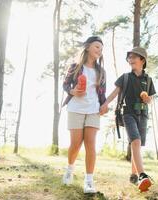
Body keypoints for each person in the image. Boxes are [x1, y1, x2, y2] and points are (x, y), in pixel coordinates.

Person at [100, 47, 156, 192]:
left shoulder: (148, 80)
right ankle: (142, 175)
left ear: (142, 60)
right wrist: (105, 103)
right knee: (135, 141)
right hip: (128, 113)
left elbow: (150, 100)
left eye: (134, 57)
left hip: (142, 115)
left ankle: (133, 175)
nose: (130, 60)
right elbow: (114, 93)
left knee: (136, 144)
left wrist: (147, 98)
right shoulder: (125, 77)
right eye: (129, 57)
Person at [62, 36, 107, 194]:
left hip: (93, 110)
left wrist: (104, 106)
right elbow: (66, 84)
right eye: (97, 47)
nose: (99, 51)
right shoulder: (76, 66)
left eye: (101, 49)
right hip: (75, 108)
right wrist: (73, 91)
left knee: (90, 144)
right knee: (75, 144)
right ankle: (69, 169)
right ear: (88, 47)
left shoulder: (101, 71)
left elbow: (102, 94)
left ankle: (89, 181)